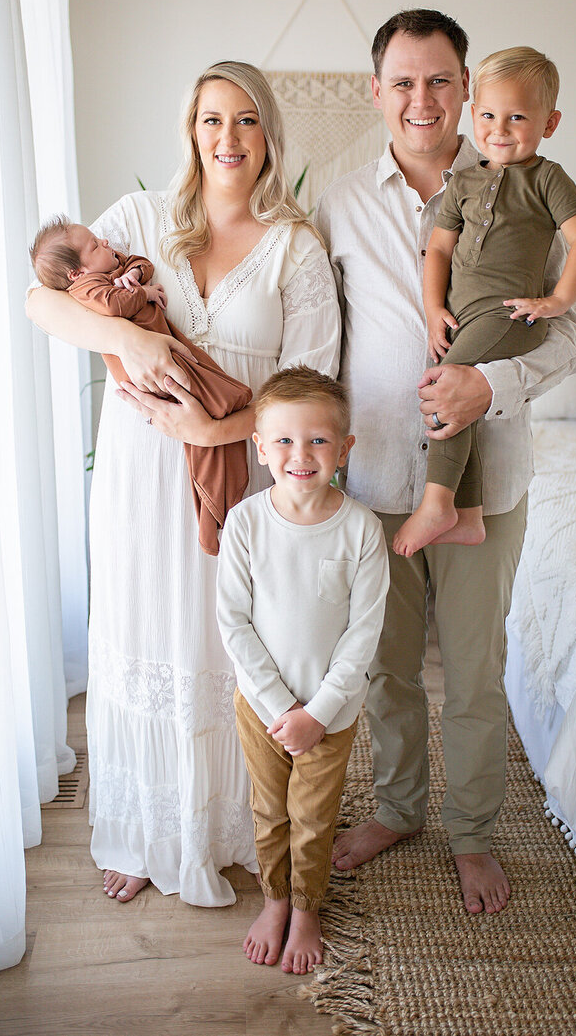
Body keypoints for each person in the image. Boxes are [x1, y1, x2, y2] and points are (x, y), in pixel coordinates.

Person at [26, 61, 341, 907]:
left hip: (239, 476)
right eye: (210, 120)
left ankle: (233, 823)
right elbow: (41, 301)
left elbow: (311, 389)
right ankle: (141, 825)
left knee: (225, 641)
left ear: (268, 133)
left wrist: (211, 429)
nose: (227, 138)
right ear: (190, 130)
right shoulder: (137, 221)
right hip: (136, 477)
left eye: (244, 120)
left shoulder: (295, 248)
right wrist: (129, 346)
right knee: (144, 636)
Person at [314, 10, 576, 915]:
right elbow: (321, 340)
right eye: (404, 81)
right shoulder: (341, 204)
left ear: (466, 91)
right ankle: (397, 806)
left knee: (475, 668)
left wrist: (493, 388)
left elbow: (574, 331)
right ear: (377, 91)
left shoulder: (531, 188)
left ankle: (473, 830)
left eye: (440, 81)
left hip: (491, 474)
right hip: (374, 476)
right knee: (388, 666)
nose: (422, 99)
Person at [394, 47, 576, 555]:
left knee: (443, 388)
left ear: (549, 123)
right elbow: (438, 248)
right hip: (462, 318)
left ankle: (439, 503)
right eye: (488, 115)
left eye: (517, 117)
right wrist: (432, 308)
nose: (500, 129)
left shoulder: (548, 178)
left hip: (510, 315)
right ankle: (467, 513)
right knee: (457, 402)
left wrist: (557, 299)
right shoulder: (462, 182)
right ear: (473, 113)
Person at [217, 367, 389, 974]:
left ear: (344, 449)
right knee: (270, 810)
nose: (301, 454)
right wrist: (279, 707)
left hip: (330, 713)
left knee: (314, 817)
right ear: (260, 447)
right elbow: (234, 623)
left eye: (318, 440)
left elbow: (362, 636)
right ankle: (274, 899)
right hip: (261, 707)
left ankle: (308, 907)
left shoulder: (363, 530)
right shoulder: (245, 523)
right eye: (284, 440)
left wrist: (315, 713)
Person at [29, 218, 252, 554]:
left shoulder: (108, 270)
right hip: (153, 377)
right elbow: (114, 304)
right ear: (76, 274)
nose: (105, 242)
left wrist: (133, 274)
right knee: (215, 419)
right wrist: (143, 292)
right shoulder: (86, 289)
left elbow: (141, 264)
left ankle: (218, 510)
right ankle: (213, 518)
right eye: (94, 245)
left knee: (215, 435)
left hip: (168, 355)